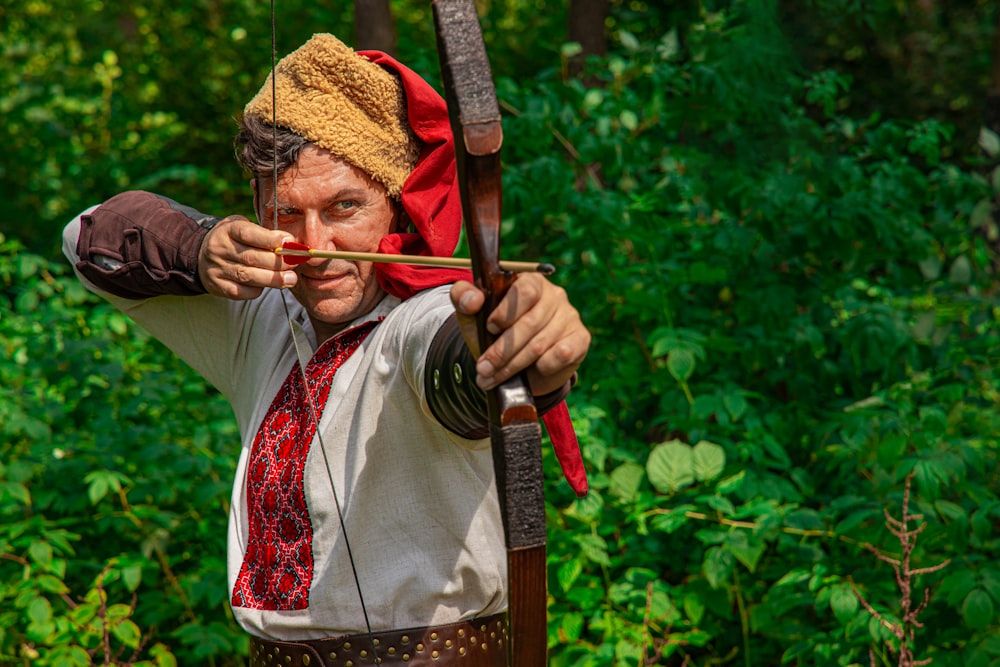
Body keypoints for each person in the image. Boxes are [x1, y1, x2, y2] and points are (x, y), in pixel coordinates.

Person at [63, 33, 589, 667]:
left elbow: (460, 359)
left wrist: (520, 340)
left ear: (395, 205)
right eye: (286, 212)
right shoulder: (259, 312)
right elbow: (86, 237)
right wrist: (200, 248)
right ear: (257, 208)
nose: (317, 244)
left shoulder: (418, 319)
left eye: (346, 206)